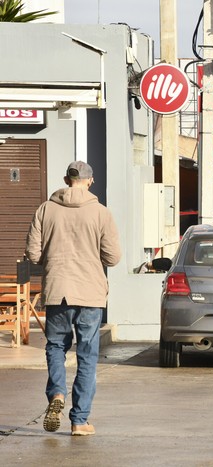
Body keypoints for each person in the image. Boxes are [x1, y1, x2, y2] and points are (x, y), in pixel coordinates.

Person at [25, 161, 121, 436]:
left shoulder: (46, 209)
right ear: (90, 182)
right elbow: (113, 258)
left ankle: (57, 393)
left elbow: (33, 254)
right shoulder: (101, 213)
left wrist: (54, 260)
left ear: (66, 180)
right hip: (90, 293)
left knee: (56, 346)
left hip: (57, 290)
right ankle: (79, 421)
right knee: (87, 355)